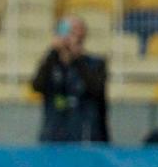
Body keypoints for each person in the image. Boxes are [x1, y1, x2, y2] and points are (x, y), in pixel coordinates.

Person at [31, 15, 110, 143]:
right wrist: (53, 52)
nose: (68, 37)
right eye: (65, 31)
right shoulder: (51, 64)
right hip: (53, 136)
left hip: (86, 136)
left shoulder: (95, 64)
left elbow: (96, 89)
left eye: (74, 32)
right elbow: (37, 86)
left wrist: (78, 58)